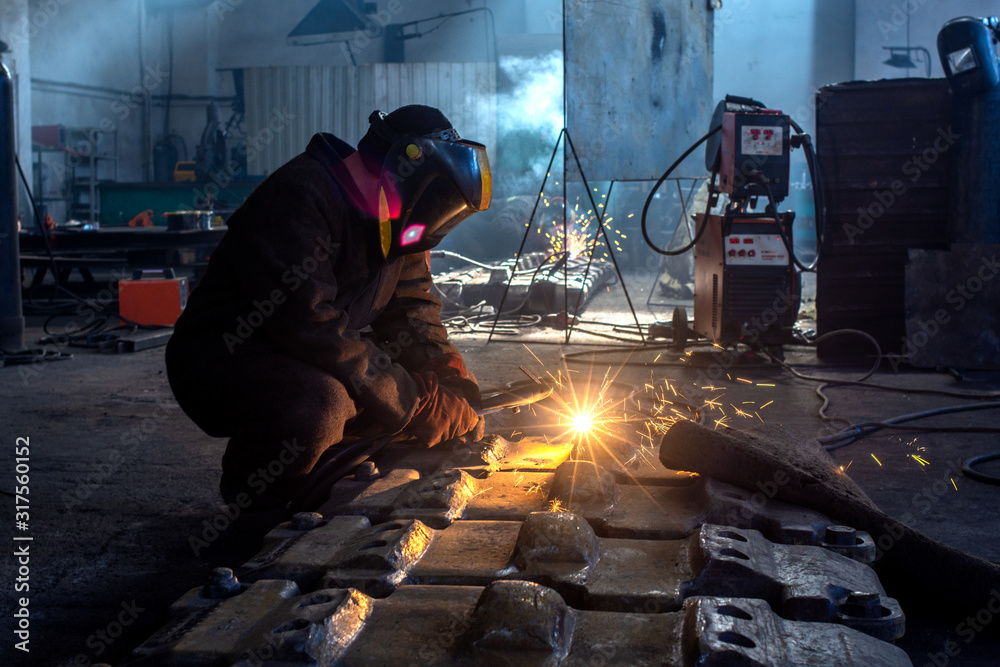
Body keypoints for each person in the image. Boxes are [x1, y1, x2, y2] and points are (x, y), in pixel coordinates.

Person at [165, 105, 492, 530]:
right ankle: (256, 512)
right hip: (222, 357)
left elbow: (412, 309)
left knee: (386, 398)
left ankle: (315, 485)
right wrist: (416, 399)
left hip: (295, 351)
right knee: (326, 403)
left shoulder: (397, 216)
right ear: (403, 166)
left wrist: (446, 374)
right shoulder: (301, 195)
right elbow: (309, 323)